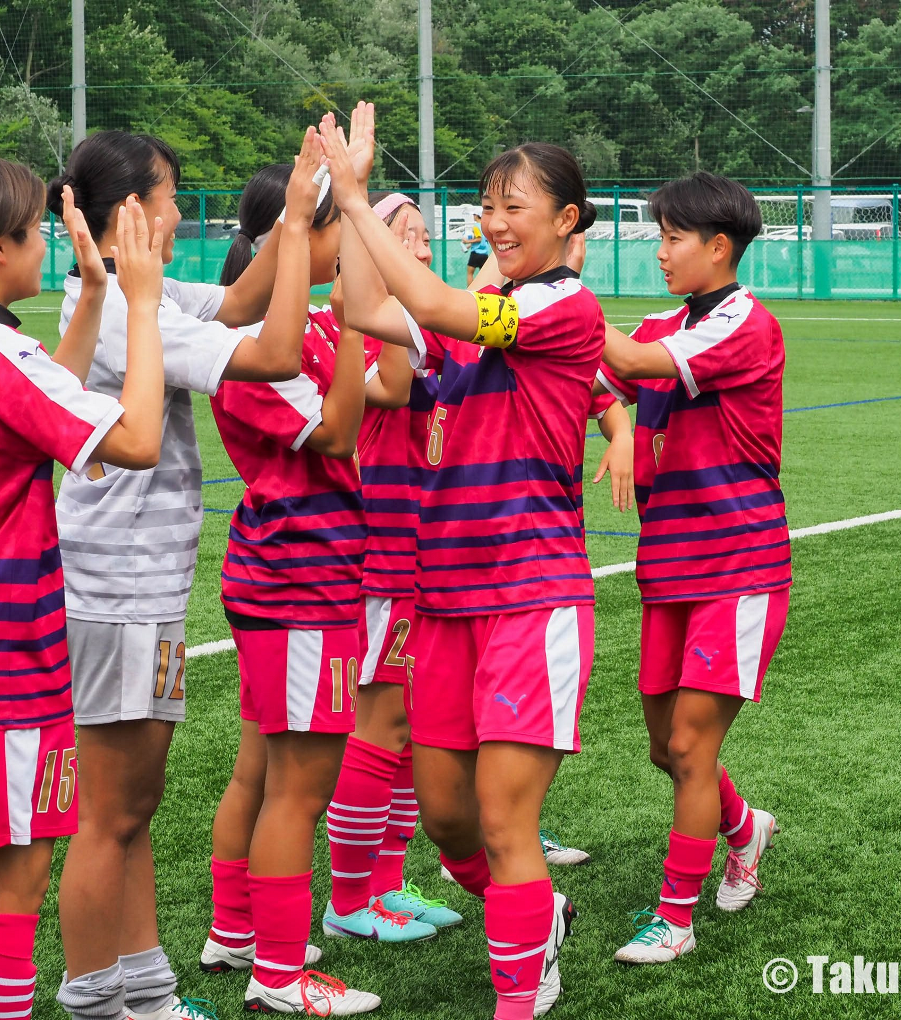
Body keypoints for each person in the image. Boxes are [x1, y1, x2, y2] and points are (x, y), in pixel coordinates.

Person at [322, 104, 602, 1019]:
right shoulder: (485, 319)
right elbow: (364, 308)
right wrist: (348, 201)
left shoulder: (562, 306)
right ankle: (537, 914)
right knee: (447, 819)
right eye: (487, 205)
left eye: (515, 206)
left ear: (567, 220)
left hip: (530, 597)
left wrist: (364, 203)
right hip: (443, 602)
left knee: (505, 817)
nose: (495, 222)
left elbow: (439, 303)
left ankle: (520, 995)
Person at [47, 129, 325, 1020]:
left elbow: (240, 301)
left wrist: (294, 211)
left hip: (140, 589)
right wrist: (305, 237)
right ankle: (96, 1001)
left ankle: (145, 989)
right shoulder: (129, 314)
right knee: (110, 815)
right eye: (168, 196)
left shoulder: (148, 296)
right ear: (133, 212)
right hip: (117, 590)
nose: (178, 211)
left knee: (134, 806)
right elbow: (274, 350)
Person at [0, 157, 168, 1020]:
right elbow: (135, 440)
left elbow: (33, 399)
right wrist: (145, 305)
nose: (47, 242)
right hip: (2, 652)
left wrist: (90, 297)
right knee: (12, 890)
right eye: (36, 231)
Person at [201, 159, 386, 1015]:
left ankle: (238, 932)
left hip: (291, 574)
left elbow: (379, 390)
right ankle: (280, 975)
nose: (345, 241)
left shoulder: (296, 322)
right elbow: (342, 431)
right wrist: (356, 319)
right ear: (298, 236)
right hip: (301, 580)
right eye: (333, 227)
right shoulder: (265, 349)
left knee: (261, 770)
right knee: (297, 790)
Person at [599, 171, 789, 965]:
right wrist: (616, 429)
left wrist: (553, 305)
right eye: (658, 236)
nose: (661, 252)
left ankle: (675, 917)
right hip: (667, 564)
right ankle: (746, 826)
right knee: (665, 751)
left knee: (689, 744)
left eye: (672, 238)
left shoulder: (745, 324)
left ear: (719, 247)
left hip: (738, 564)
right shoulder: (663, 321)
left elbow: (634, 360)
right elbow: (599, 383)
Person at [323, 190, 465, 937]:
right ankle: (348, 901)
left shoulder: (431, 320)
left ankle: (388, 880)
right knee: (377, 727)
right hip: (386, 555)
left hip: (429, 555)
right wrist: (362, 231)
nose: (419, 242)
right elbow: (393, 374)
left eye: (421, 233)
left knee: (410, 726)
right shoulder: (373, 329)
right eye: (400, 232)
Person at [462, 208, 490, 285]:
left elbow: (479, 239)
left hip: (476, 254)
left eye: (474, 215)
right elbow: (483, 240)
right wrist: (468, 246)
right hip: (484, 254)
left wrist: (467, 241)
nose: (473, 216)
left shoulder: (476, 227)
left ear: (477, 216)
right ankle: (484, 291)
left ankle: (470, 291)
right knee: (483, 275)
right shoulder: (485, 227)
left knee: (470, 273)